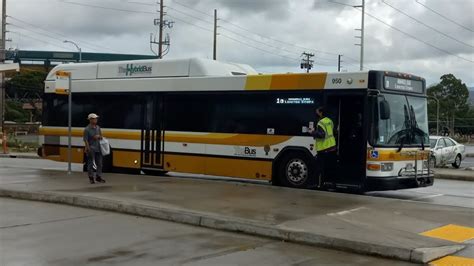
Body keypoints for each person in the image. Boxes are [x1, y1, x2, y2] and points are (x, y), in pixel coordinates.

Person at [309, 106, 337, 188]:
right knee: (330, 167)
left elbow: (321, 135)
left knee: (319, 167)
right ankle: (332, 184)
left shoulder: (320, 122)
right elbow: (334, 132)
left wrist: (312, 132)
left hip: (324, 148)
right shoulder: (330, 121)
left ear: (321, 112)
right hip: (332, 146)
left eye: (317, 112)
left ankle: (317, 184)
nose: (316, 113)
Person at [83, 113, 106, 184]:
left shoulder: (98, 127)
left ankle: (98, 177)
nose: (95, 120)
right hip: (91, 148)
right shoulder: (87, 129)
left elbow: (101, 136)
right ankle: (91, 178)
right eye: (93, 118)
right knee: (90, 164)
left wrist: (99, 137)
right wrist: (87, 147)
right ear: (90, 120)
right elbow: (85, 139)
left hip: (98, 148)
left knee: (99, 163)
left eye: (96, 118)